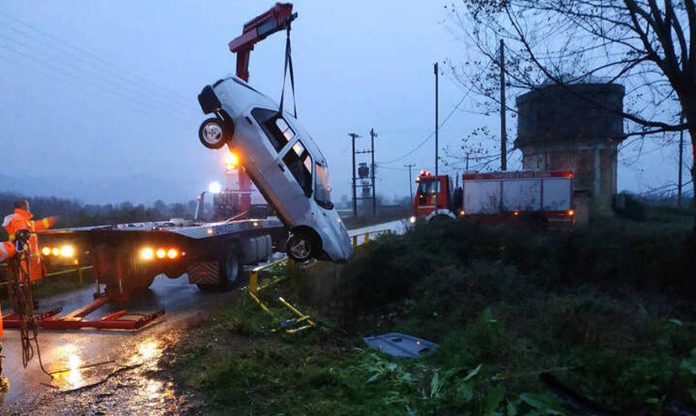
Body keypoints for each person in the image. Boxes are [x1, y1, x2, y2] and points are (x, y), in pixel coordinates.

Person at [2, 199, 56, 282]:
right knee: (25, 283)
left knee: (28, 283)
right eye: (27, 205)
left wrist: (52, 220)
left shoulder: (24, 220)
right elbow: (21, 237)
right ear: (23, 206)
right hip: (24, 259)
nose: (29, 208)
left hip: (28, 259)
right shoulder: (18, 219)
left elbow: (38, 225)